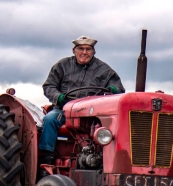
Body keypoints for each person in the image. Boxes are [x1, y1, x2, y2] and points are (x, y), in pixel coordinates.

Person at [38, 35, 125, 175]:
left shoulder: (103, 69)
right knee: (50, 120)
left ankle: (104, 161)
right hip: (65, 109)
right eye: (81, 49)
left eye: (88, 49)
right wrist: (58, 97)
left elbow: (118, 87)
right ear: (74, 50)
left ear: (93, 52)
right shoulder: (62, 66)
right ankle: (46, 157)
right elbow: (49, 86)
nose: (84, 52)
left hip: (91, 113)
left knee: (109, 129)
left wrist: (114, 90)